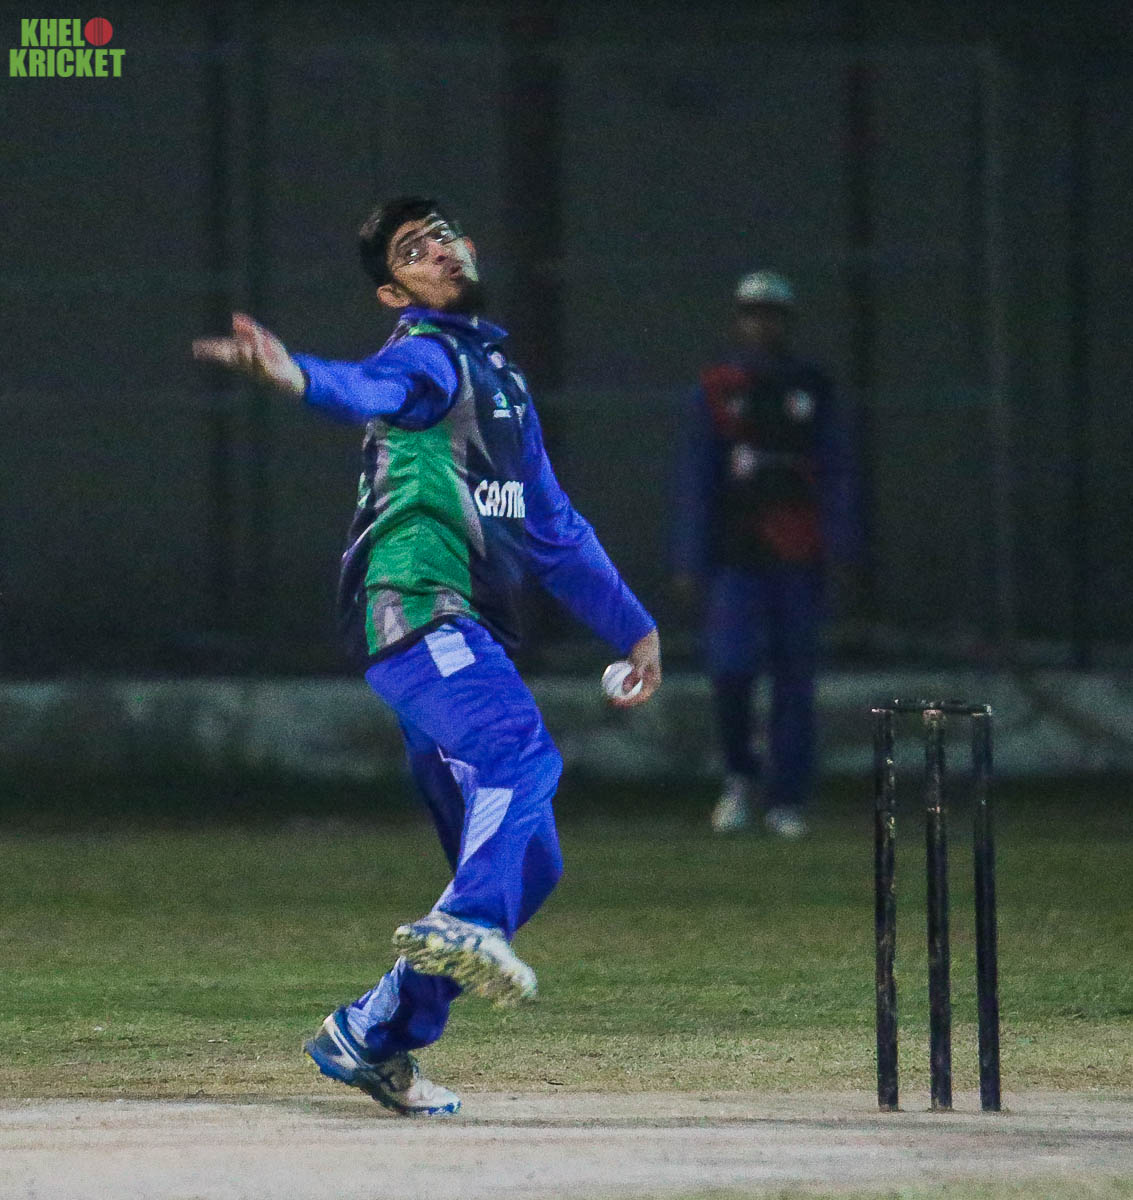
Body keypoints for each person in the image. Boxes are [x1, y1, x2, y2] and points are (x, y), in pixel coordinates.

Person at [193, 196, 661, 1116]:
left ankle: (371, 1034)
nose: (439, 250)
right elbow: (367, 388)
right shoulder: (428, 356)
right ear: (392, 291)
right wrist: (295, 375)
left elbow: (554, 528)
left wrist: (634, 626)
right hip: (415, 612)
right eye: (413, 250)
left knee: (533, 864)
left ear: (469, 246)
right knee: (518, 751)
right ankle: (466, 921)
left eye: (442, 234)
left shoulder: (499, 376)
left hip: (458, 632)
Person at [673, 270, 860, 839]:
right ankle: (738, 776)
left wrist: (841, 547)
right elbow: (697, 475)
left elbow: (837, 471)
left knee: (794, 676)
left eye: (772, 315)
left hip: (797, 553)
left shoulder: (812, 387)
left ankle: (787, 796)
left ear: (787, 322)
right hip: (736, 552)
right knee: (730, 670)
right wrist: (690, 558)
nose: (762, 325)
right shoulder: (717, 387)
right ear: (739, 320)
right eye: (753, 314)